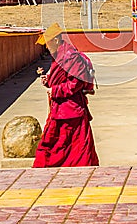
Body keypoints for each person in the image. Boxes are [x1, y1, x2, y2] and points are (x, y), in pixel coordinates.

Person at [33, 23, 99, 168]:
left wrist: (55, 90)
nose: (46, 47)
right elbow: (60, 79)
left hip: (72, 109)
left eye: (48, 43)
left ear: (56, 40)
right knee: (53, 143)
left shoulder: (71, 57)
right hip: (59, 108)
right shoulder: (58, 56)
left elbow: (76, 84)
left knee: (77, 147)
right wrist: (48, 81)